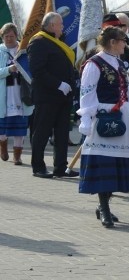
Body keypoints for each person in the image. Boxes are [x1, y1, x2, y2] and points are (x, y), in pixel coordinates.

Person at [76, 27, 129, 227]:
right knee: (104, 163)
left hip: (122, 117)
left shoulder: (119, 63)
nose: (125, 44)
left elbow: (128, 89)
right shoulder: (94, 64)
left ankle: (104, 205)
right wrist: (86, 119)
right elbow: (87, 93)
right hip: (103, 117)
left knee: (115, 164)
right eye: (123, 40)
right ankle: (104, 207)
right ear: (113, 42)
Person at [27, 12, 79, 178]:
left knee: (62, 133)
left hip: (63, 96)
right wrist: (58, 84)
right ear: (51, 26)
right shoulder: (38, 42)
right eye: (60, 24)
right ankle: (38, 166)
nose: (62, 27)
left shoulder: (58, 42)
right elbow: (37, 71)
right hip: (47, 96)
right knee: (42, 131)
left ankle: (61, 167)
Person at [0, 23, 33, 165]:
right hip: (3, 95)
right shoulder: (0, 51)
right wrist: (9, 69)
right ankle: (3, 147)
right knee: (2, 127)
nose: (9, 39)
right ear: (2, 37)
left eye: (11, 36)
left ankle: (17, 155)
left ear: (16, 36)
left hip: (21, 93)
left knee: (20, 126)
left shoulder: (24, 50)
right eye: (6, 36)